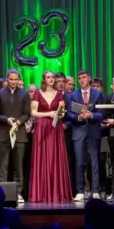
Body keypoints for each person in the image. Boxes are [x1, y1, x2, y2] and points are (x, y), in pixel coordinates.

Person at [29, 71, 72, 202]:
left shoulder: (59, 94)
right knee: (41, 158)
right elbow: (33, 112)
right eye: (48, 77)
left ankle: (57, 193)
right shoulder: (37, 93)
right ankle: (40, 193)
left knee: (55, 158)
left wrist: (60, 114)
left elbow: (62, 114)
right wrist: (49, 113)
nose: (51, 79)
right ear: (44, 79)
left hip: (55, 128)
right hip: (41, 128)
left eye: (53, 77)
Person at [0, 69, 31, 203]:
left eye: (16, 79)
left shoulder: (24, 93)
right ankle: (1, 193)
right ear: (7, 79)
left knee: (18, 165)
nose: (14, 82)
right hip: (4, 134)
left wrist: (19, 122)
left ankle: (18, 193)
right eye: (11, 79)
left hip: (19, 134)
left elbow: (27, 113)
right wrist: (6, 120)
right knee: (3, 166)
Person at [66, 70, 104, 201]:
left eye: (83, 77)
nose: (81, 80)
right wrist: (79, 117)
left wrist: (91, 115)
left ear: (89, 79)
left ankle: (96, 190)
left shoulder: (97, 94)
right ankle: (80, 190)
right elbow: (69, 115)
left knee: (94, 162)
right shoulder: (72, 95)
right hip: (79, 130)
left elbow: (102, 113)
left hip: (93, 130)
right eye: (79, 78)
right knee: (79, 162)